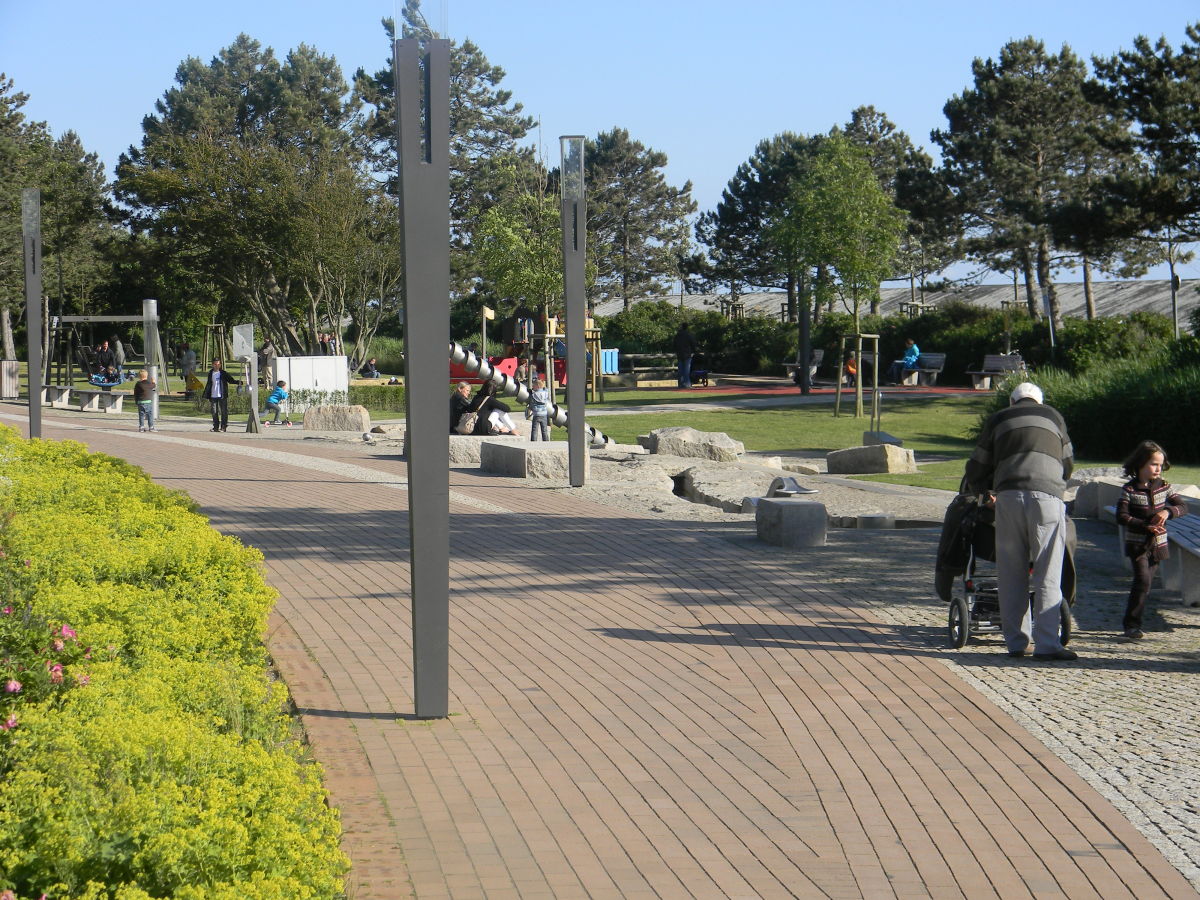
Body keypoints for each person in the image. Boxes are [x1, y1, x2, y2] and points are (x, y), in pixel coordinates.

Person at [965, 382, 1075, 660]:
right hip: (1048, 499)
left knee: (1011, 573)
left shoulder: (999, 418)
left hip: (1009, 498)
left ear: (1013, 402)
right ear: (1040, 400)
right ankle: (1048, 644)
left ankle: (1016, 643)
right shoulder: (1054, 417)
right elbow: (1068, 462)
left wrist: (982, 493)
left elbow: (978, 464)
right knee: (1047, 573)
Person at [1116, 441, 1188, 641]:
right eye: (1153, 464)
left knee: (1145, 585)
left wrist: (1168, 511)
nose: (1158, 469)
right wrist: (1144, 525)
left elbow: (1183, 506)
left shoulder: (1164, 487)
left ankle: (1134, 621)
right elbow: (1121, 517)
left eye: (1160, 465)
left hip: (1157, 545)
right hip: (1137, 545)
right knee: (1143, 580)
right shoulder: (1130, 490)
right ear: (1140, 464)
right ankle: (1131, 625)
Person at [202, 358, 240, 433]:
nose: (217, 366)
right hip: (213, 395)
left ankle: (223, 427)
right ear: (212, 365)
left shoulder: (223, 373)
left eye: (218, 364)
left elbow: (230, 380)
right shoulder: (211, 373)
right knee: (214, 411)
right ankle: (215, 426)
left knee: (224, 411)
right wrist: (207, 394)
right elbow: (209, 384)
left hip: (222, 395)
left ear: (220, 365)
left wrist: (237, 382)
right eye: (215, 364)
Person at [527, 377, 551, 442]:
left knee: (534, 429)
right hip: (544, 414)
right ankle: (546, 442)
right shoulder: (545, 393)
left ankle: (533, 442)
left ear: (537, 386)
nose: (532, 387)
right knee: (544, 430)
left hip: (536, 414)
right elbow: (546, 389)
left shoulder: (534, 395)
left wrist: (529, 409)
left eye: (533, 386)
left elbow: (531, 404)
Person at [674, 322, 697, 389]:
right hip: (687, 354)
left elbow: (674, 344)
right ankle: (687, 384)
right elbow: (693, 343)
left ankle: (680, 384)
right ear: (687, 327)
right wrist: (694, 351)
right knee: (686, 370)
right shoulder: (688, 335)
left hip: (679, 354)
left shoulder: (678, 335)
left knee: (680, 370)